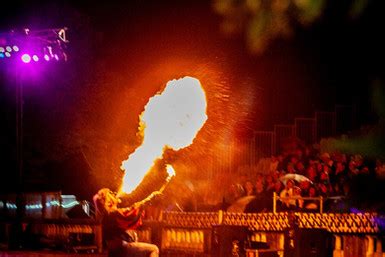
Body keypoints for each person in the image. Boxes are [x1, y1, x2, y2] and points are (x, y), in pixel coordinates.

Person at [93, 188, 161, 257]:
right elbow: (130, 213)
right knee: (154, 249)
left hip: (117, 251)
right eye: (110, 193)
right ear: (109, 201)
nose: (113, 193)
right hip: (121, 250)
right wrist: (149, 199)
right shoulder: (112, 213)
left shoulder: (109, 214)